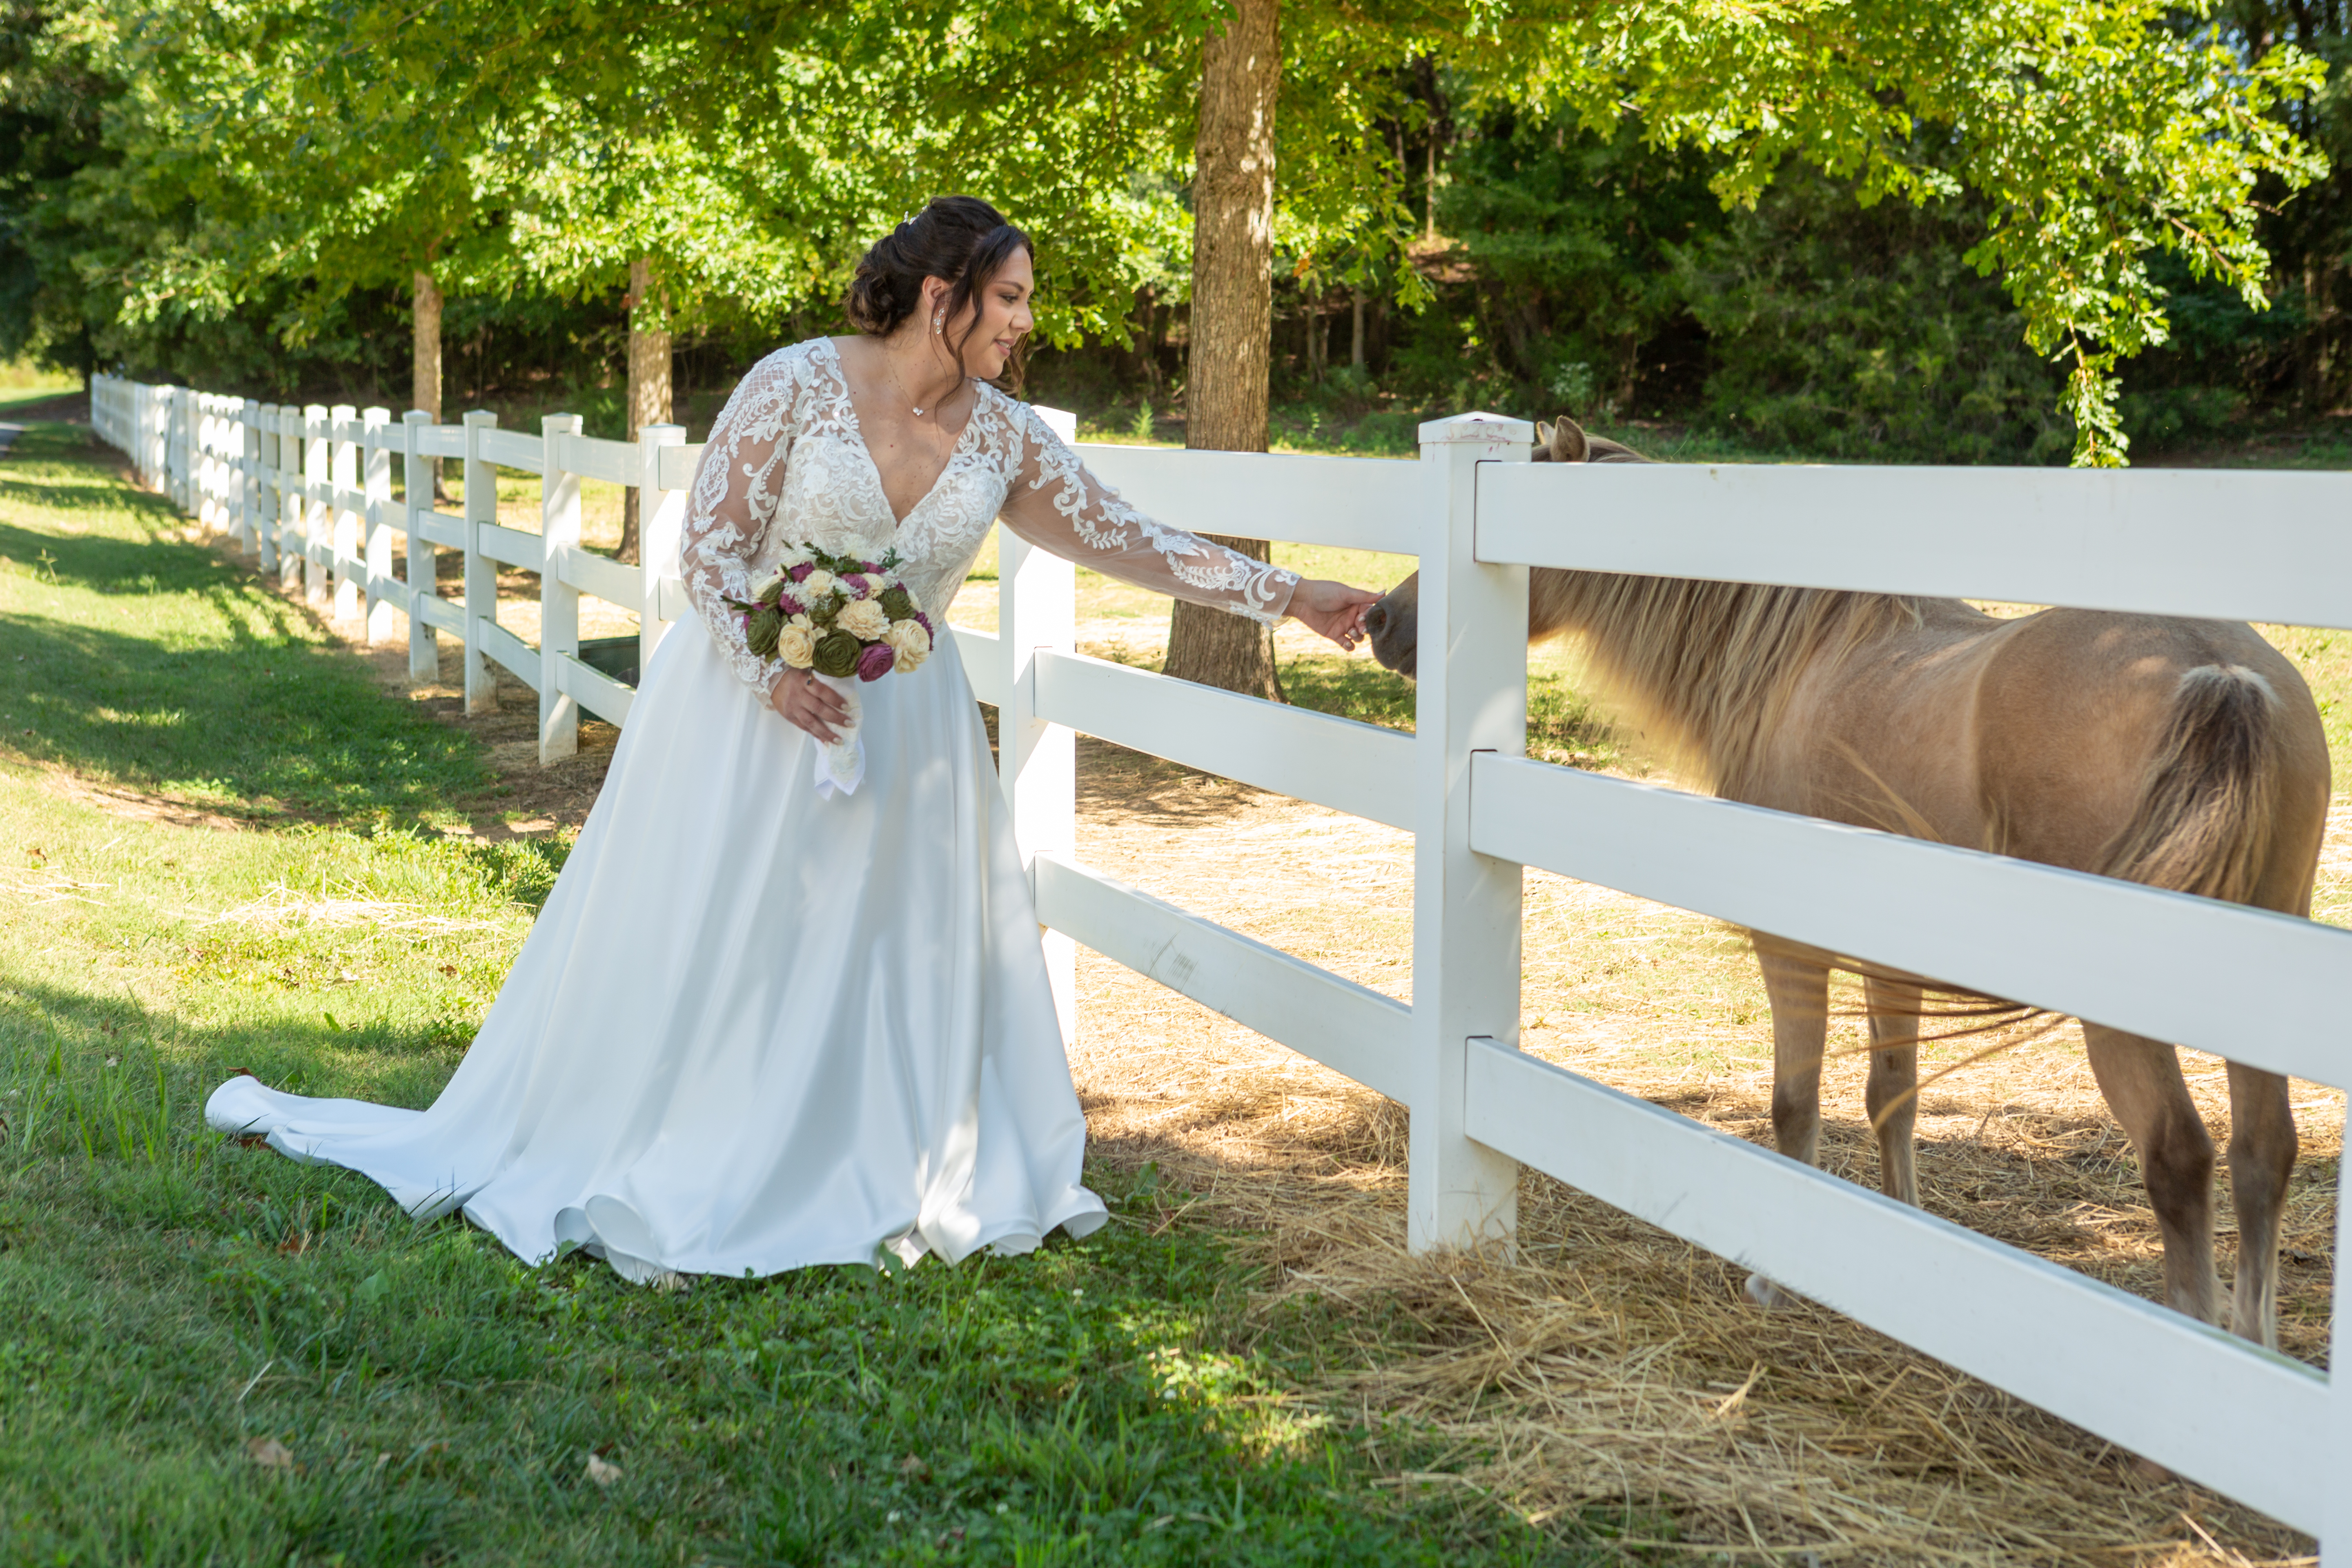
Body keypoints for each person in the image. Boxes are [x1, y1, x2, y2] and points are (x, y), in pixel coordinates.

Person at [205, 196, 1383, 1284]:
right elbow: (706, 551)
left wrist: (1290, 596)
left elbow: (1131, 539)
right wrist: (768, 666)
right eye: (1011, 299)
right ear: (943, 296)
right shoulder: (795, 385)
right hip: (741, 709)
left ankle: (875, 1156)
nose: (1026, 325)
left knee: (881, 950)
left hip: (908, 723)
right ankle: (695, 1142)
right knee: (729, 933)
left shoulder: (1007, 438)